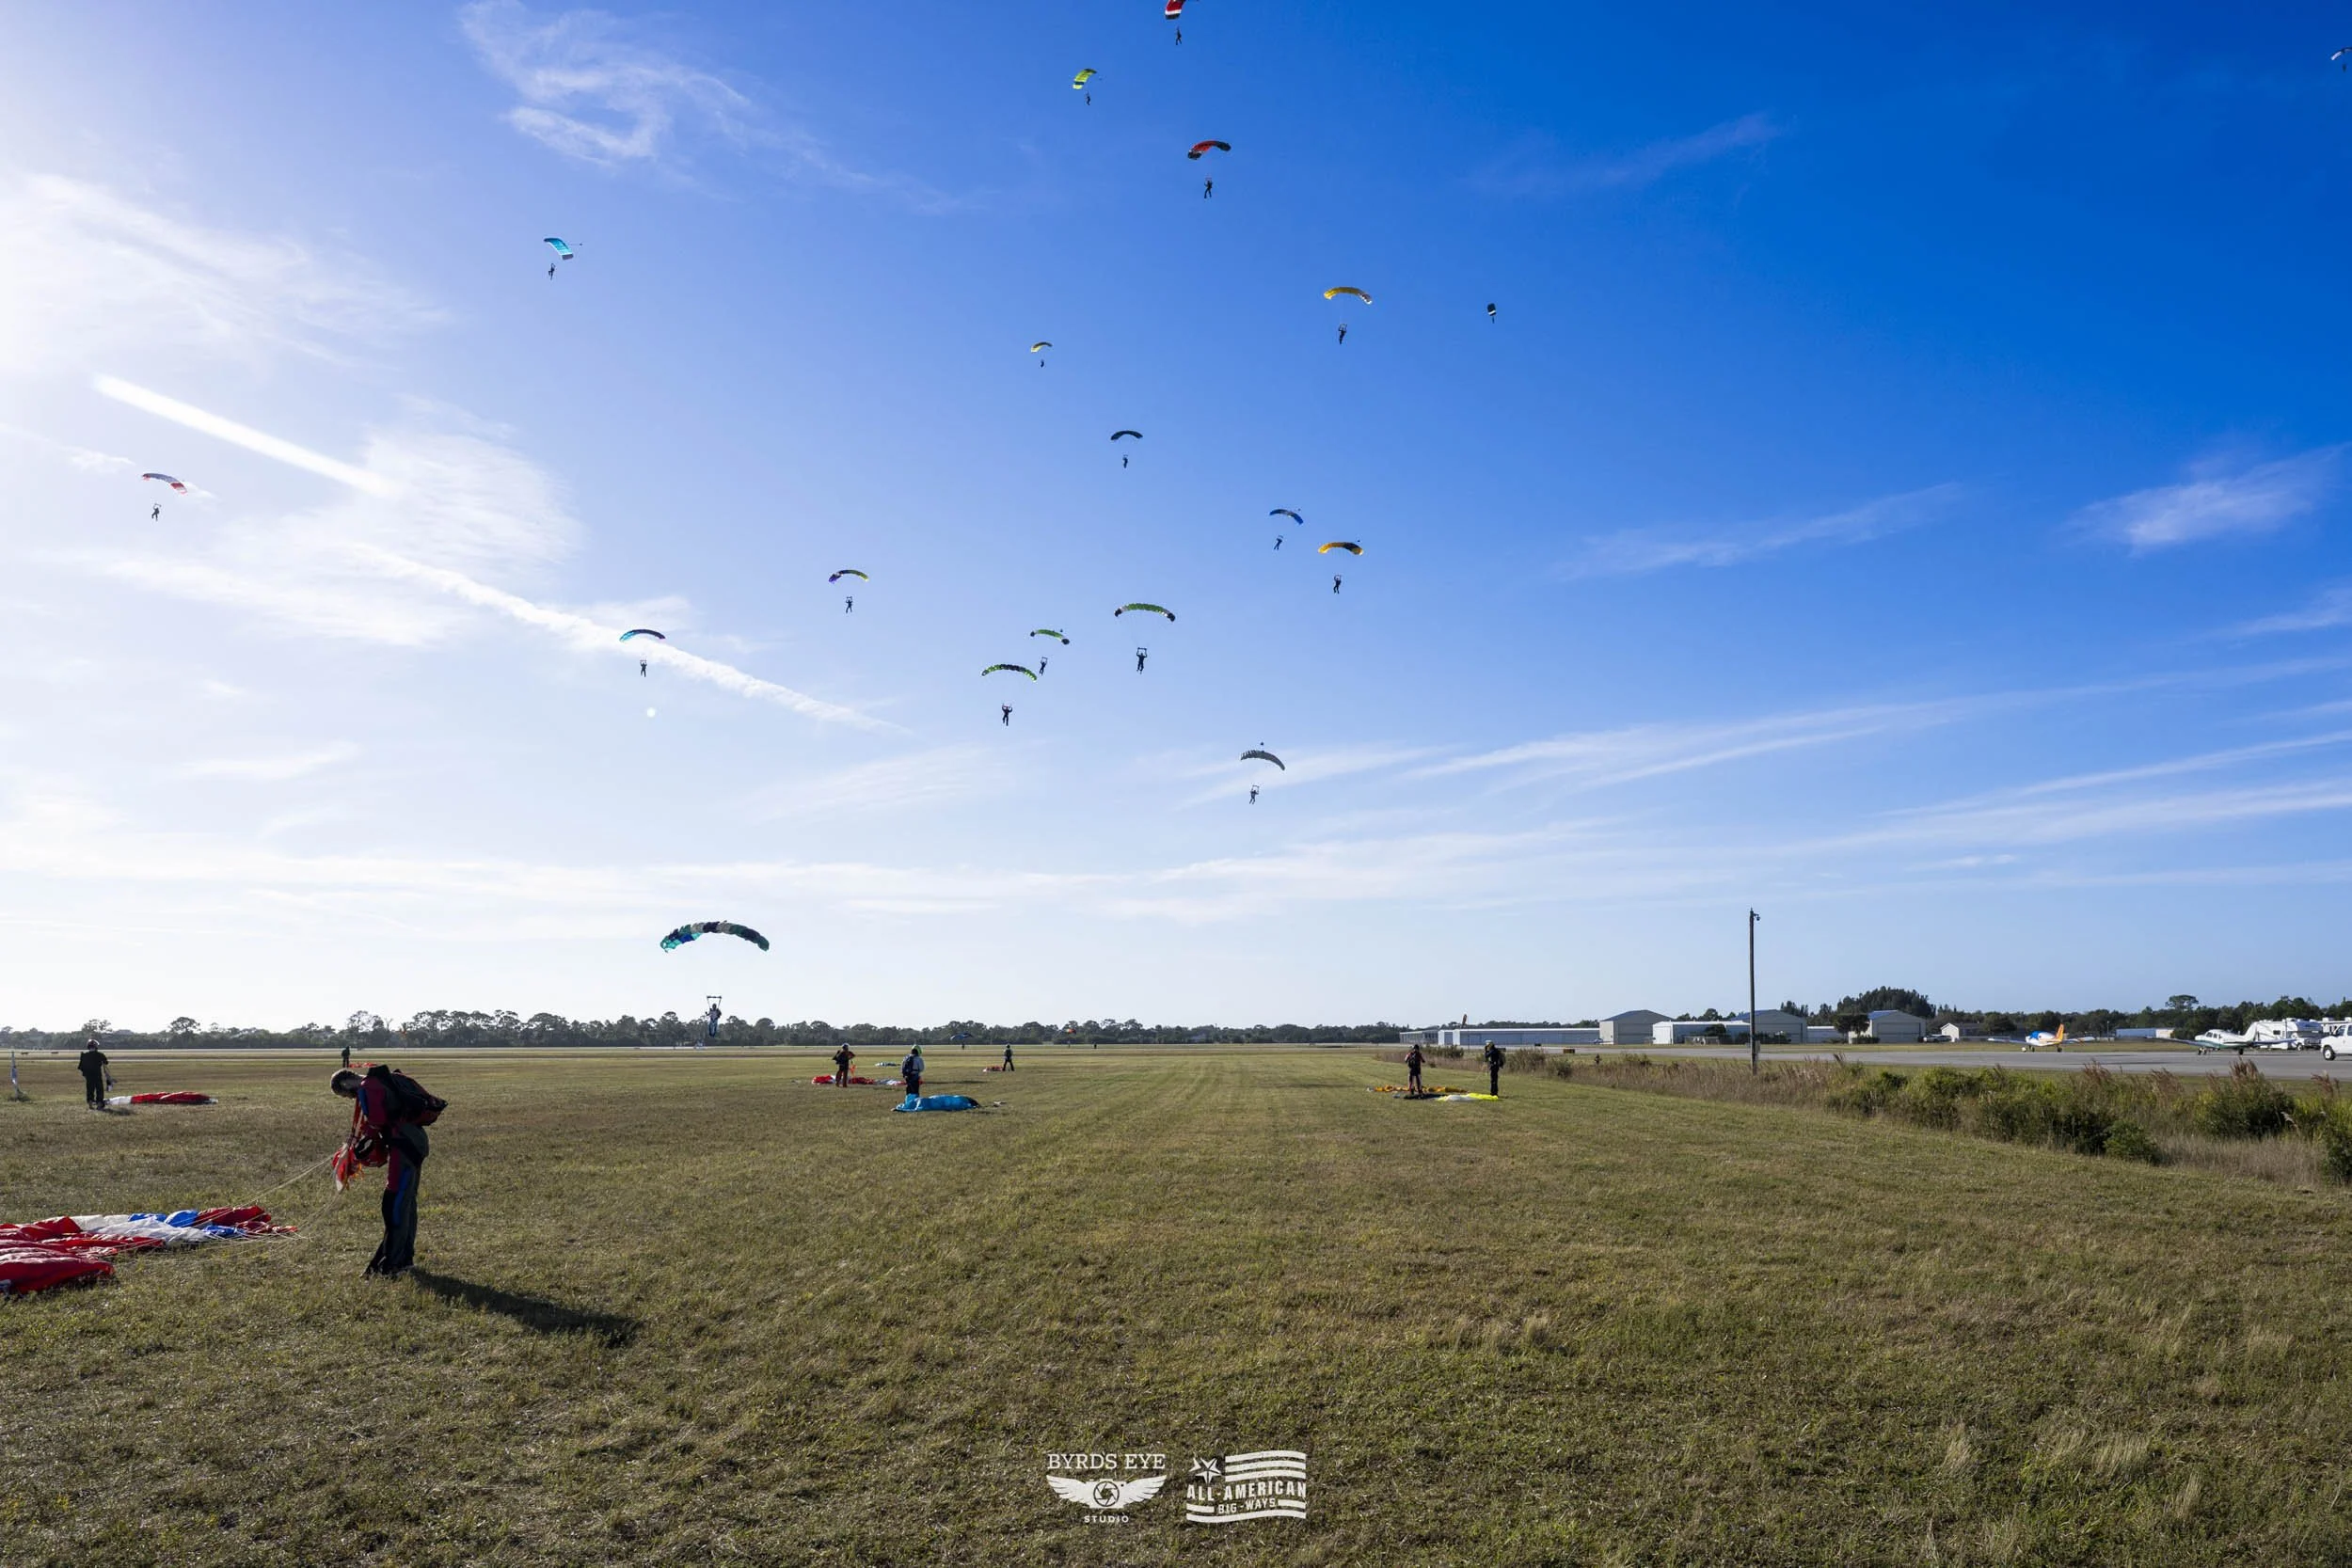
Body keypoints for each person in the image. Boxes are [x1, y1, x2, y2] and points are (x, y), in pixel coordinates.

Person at [332, 1066, 428, 1277]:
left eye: (346, 1095)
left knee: (395, 1205)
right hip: (415, 1142)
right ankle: (405, 1258)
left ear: (346, 1083)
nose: (350, 1098)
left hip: (404, 1146)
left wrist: (357, 1146)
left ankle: (392, 1265)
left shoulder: (368, 1087)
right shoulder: (384, 1080)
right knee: (407, 1203)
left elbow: (376, 1122)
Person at [78, 1038, 109, 1110]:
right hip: (97, 1075)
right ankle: (99, 1104)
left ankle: (90, 1105)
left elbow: (80, 1067)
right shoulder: (100, 1055)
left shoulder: (84, 1055)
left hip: (89, 1076)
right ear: (95, 1046)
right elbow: (106, 1062)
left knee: (90, 1089)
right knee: (99, 1089)